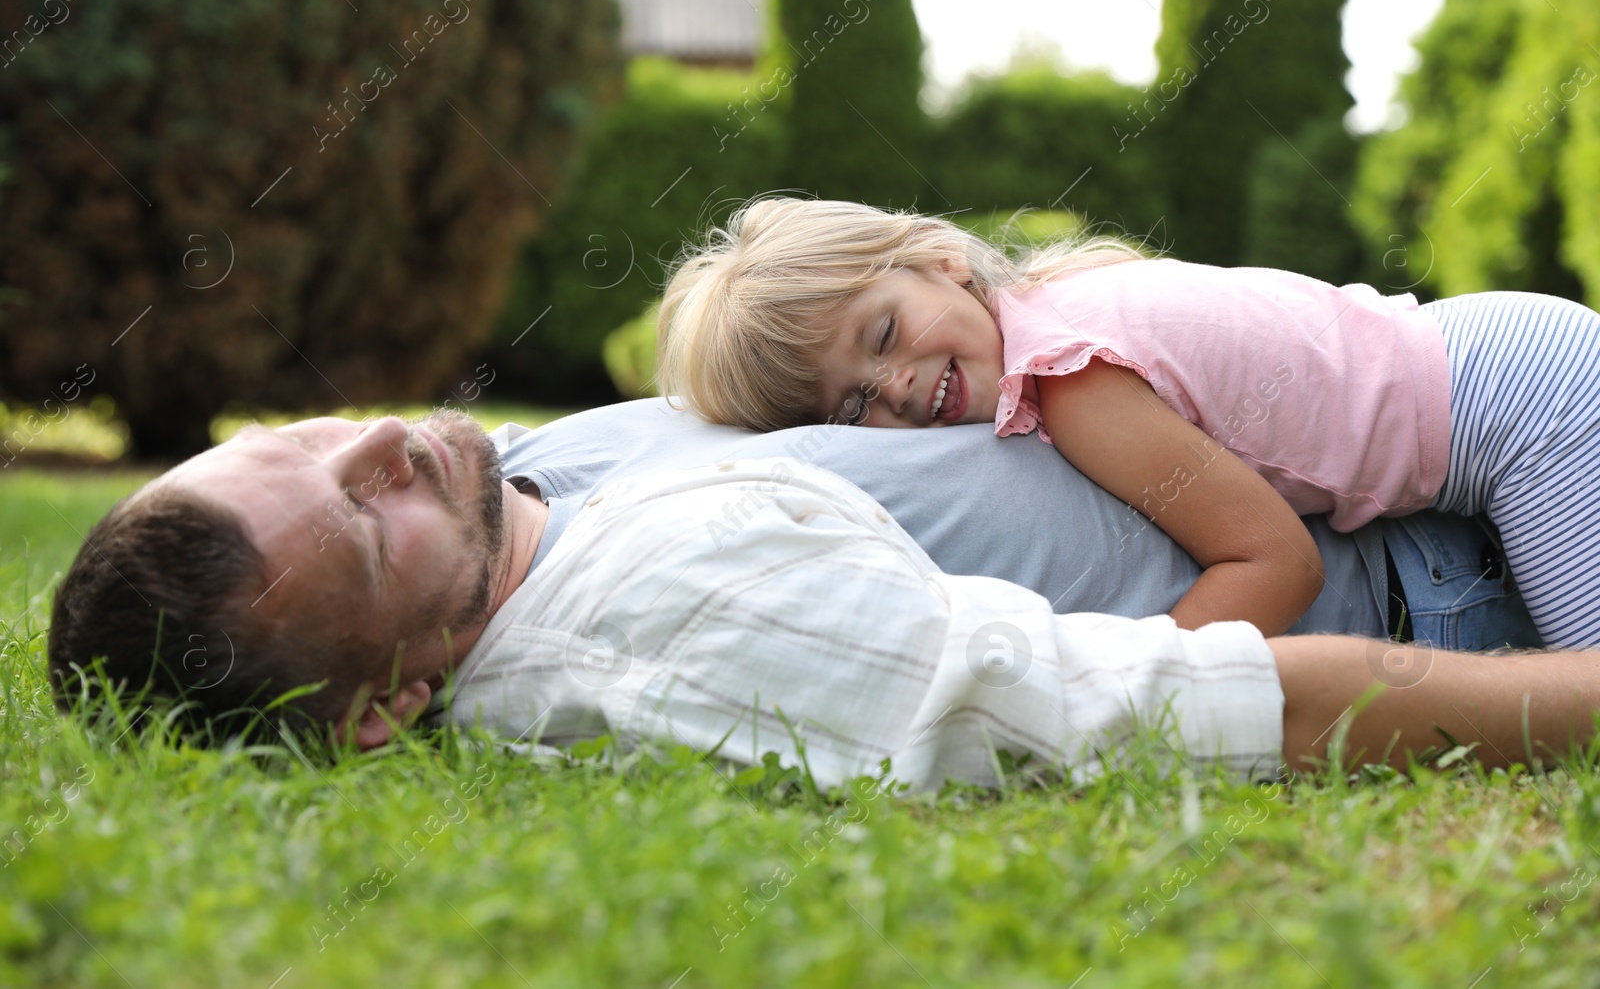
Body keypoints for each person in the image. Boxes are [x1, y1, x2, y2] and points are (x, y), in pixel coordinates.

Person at [46, 410, 1596, 792]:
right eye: (364, 521)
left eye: (298, 444)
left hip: (1400, 419)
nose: (375, 441)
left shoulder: (505, 490)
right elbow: (1236, 705)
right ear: (385, 699)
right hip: (1460, 547)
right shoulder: (681, 627)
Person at [657, 197, 1600, 647]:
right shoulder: (1050, 302)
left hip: (1521, 408)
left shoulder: (1068, 379)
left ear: (941, 261)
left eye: (883, 333)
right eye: (852, 405)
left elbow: (1277, 563)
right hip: (1493, 355)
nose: (894, 386)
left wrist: (1136, 684)